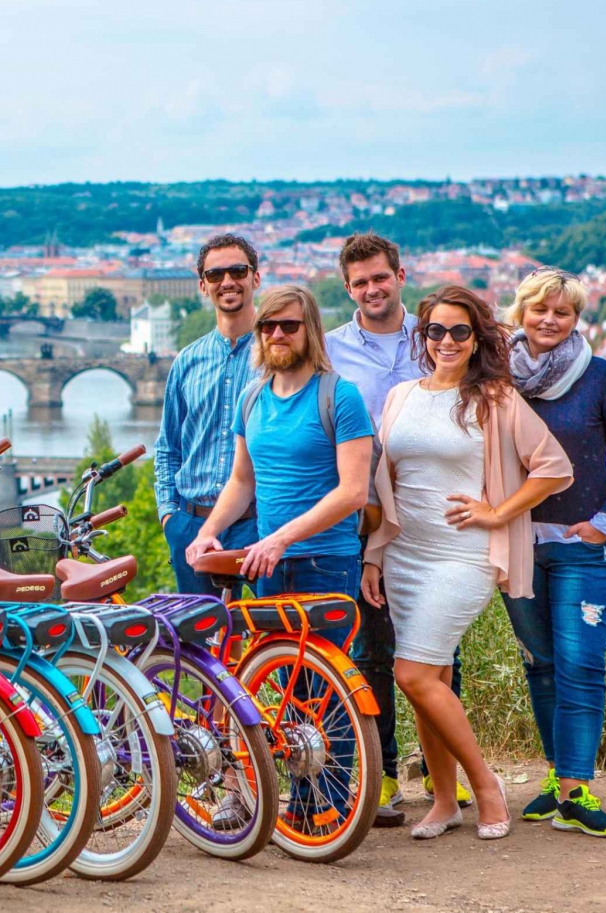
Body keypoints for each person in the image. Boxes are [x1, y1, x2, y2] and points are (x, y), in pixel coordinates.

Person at [362, 286, 572, 841]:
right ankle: (442, 800)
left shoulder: (496, 397)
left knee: (411, 673)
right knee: (433, 676)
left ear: (476, 337)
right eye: (436, 330)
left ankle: (484, 788)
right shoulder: (401, 396)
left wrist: (497, 510)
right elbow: (387, 484)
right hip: (406, 555)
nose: (447, 341)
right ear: (422, 336)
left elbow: (552, 467)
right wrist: (374, 555)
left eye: (459, 331)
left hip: (464, 554)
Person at [187, 284, 374, 831]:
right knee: (279, 687)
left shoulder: (339, 396)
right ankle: (291, 798)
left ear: (309, 330)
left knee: (326, 690)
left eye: (288, 326)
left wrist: (281, 538)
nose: (276, 335)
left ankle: (333, 806)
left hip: (324, 560)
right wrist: (211, 531)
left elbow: (352, 492)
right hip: (269, 564)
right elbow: (242, 481)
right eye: (268, 326)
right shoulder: (253, 397)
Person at [501, 269, 606, 837]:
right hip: (519, 546)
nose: (549, 320)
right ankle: (556, 774)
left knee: (581, 666)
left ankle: (576, 790)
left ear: (576, 319)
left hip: (585, 549)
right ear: (521, 311)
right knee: (539, 665)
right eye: (540, 309)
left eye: (562, 312)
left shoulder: (601, 378)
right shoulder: (500, 380)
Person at [323, 232, 467, 824]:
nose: (371, 289)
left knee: (442, 654)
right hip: (368, 514)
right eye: (359, 283)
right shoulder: (330, 350)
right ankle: (380, 777)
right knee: (375, 650)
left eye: (380, 278)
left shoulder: (437, 336)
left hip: (434, 511)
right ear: (347, 288)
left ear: (400, 276)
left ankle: (445, 779)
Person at [154, 233, 263, 597]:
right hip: (192, 521)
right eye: (216, 275)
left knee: (272, 641)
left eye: (237, 271)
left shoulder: (279, 357)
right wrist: (170, 516)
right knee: (197, 647)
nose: (227, 282)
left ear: (255, 278)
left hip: (259, 525)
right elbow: (168, 447)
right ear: (203, 285)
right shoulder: (187, 361)